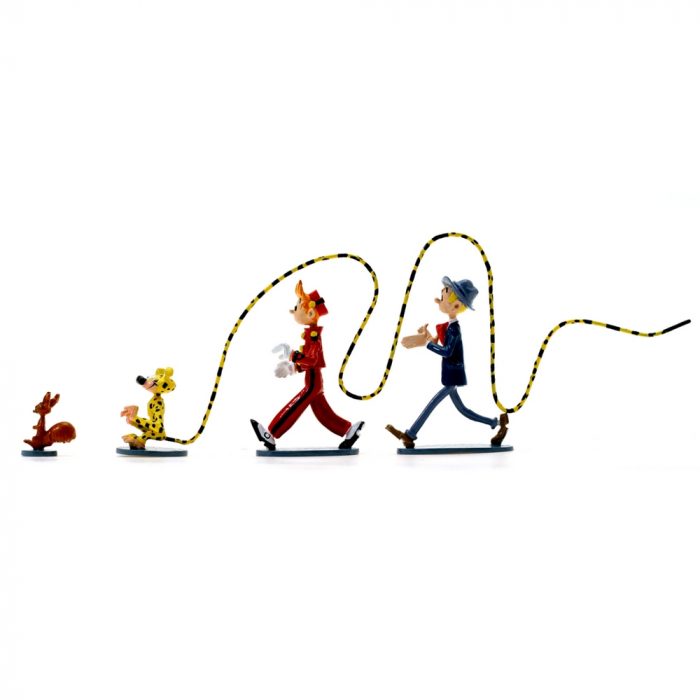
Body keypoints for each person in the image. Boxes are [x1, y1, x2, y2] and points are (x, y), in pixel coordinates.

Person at [386, 276, 508, 448]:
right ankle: (496, 422)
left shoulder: (454, 330)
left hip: (453, 374)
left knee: (435, 401)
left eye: (442, 297)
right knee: (463, 409)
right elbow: (439, 344)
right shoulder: (449, 327)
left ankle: (410, 434)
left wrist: (426, 344)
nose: (438, 300)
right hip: (451, 372)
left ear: (456, 306)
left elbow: (447, 351)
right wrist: (427, 337)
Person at [250, 280, 364, 451]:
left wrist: (292, 355)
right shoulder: (311, 335)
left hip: (313, 382)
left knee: (295, 405)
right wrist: (293, 368)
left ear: (310, 312)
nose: (293, 311)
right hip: (313, 378)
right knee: (322, 412)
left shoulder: (314, 336)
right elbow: (311, 363)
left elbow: (312, 360)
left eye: (296, 308)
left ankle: (271, 434)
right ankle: (349, 430)